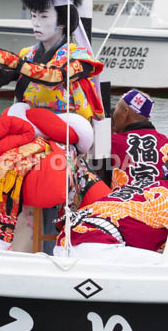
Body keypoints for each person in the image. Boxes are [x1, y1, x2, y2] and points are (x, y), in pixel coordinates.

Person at [0, 0, 104, 247]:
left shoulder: (79, 57)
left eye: (44, 16)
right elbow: (6, 77)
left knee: (12, 161)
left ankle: (6, 238)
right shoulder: (27, 54)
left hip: (65, 133)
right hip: (29, 130)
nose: (36, 22)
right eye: (34, 16)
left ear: (63, 22)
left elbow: (54, 75)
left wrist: (14, 63)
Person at [56, 91, 168, 257]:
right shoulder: (165, 142)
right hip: (157, 228)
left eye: (116, 109)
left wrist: (100, 129)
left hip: (113, 223)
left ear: (126, 112)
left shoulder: (106, 140)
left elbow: (91, 176)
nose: (113, 115)